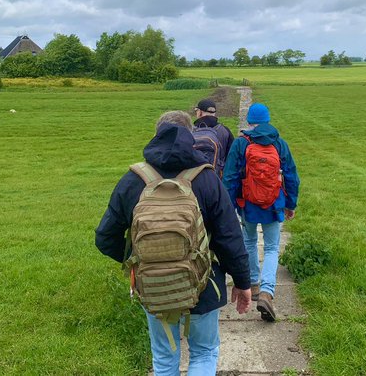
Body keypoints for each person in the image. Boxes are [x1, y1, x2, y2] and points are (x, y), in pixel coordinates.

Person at [96, 110, 252, 376]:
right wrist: (242, 281)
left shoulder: (133, 180)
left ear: (156, 136)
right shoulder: (206, 178)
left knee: (164, 358)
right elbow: (229, 237)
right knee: (203, 352)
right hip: (204, 283)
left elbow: (105, 238)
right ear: (190, 137)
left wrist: (140, 259)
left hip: (154, 285)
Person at [223, 102, 299, 323]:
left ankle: (253, 284)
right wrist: (290, 204)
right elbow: (292, 176)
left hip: (248, 204)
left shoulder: (241, 143)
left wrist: (228, 208)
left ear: (249, 122)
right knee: (272, 247)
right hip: (274, 204)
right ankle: (267, 292)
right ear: (268, 120)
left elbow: (230, 177)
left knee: (249, 242)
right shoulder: (279, 144)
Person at [192, 98, 234, 172]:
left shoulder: (191, 131)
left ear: (200, 112)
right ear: (214, 113)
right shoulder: (225, 131)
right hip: (217, 176)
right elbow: (231, 157)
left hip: (194, 175)